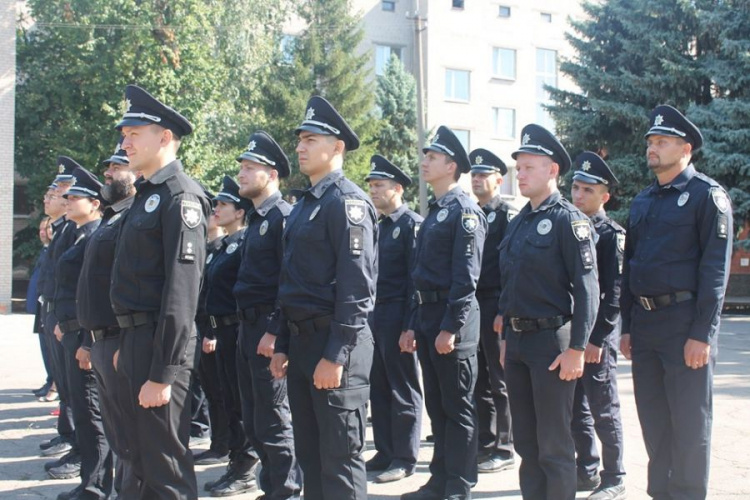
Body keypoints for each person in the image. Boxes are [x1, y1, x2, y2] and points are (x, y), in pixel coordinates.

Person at [620, 105, 733, 500]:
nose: (653, 148)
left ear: (685, 148)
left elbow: (714, 272)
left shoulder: (707, 197)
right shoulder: (643, 201)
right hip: (647, 327)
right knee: (654, 422)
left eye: (662, 142)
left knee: (688, 425)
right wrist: (629, 327)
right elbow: (630, 266)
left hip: (685, 325)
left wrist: (702, 333)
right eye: (651, 141)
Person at [270, 96, 377, 500]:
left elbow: (357, 288)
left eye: (311, 139)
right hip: (301, 343)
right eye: (300, 139)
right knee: (310, 457)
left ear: (336, 148)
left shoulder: (347, 203)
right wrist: (282, 342)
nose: (300, 146)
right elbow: (289, 281)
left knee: (340, 460)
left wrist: (335, 354)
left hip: (335, 345)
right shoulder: (303, 207)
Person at [110, 84, 210, 499]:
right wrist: (125, 343)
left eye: (135, 132)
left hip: (159, 346)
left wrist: (162, 371)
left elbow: (181, 294)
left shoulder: (180, 196)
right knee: (136, 458)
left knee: (164, 466)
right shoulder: (146, 194)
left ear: (164, 137)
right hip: (135, 340)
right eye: (124, 134)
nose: (125, 141)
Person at [495, 124, 599, 500]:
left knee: (554, 445)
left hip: (553, 344)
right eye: (518, 168)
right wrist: (506, 335)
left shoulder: (569, 220)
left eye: (528, 167)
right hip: (519, 343)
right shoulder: (519, 221)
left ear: (553, 170)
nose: (519, 174)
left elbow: (588, 290)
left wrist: (577, 348)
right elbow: (511, 285)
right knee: (527, 443)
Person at [400, 126, 486, 500]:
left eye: (431, 157)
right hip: (428, 314)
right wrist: (413, 324)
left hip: (454, 320)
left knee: (458, 406)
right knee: (437, 406)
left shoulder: (465, 212)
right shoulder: (436, 211)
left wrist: (451, 327)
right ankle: (440, 479)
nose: (424, 162)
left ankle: (460, 483)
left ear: (451, 166)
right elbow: (418, 273)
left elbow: (466, 277)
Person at [233, 131, 302, 499]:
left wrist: (276, 332)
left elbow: (288, 281)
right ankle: (272, 485)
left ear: (271, 174)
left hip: (267, 328)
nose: (241, 174)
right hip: (248, 327)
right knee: (254, 417)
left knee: (275, 418)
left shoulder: (282, 217)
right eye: (242, 167)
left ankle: (287, 490)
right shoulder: (257, 219)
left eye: (249, 168)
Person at [76, 141, 140, 499]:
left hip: (119, 339)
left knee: (131, 437)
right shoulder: (115, 217)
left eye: (117, 166)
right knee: (118, 434)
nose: (108, 173)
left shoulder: (135, 216)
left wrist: (121, 340)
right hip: (102, 340)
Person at [569, 152, 627, 500]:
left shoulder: (610, 234)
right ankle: (587, 469)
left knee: (603, 409)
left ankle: (614, 475)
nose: (578, 195)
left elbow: (614, 294)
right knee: (577, 409)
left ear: (604, 196)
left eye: (587, 190)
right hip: (572, 337)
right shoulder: (571, 227)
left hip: (596, 340)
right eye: (575, 188)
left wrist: (598, 339)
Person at [53, 165, 112, 499]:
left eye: (75, 197)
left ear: (94, 204)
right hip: (72, 332)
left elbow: (97, 293)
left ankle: (97, 486)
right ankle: (90, 481)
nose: (68, 201)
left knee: (91, 414)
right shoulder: (78, 234)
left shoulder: (94, 236)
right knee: (83, 409)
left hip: (85, 336)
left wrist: (89, 340)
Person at [364, 155, 423, 484]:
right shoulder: (379, 225)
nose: (373, 190)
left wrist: (410, 324)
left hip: (399, 313)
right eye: (371, 185)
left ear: (397, 188)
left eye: (379, 185)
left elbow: (416, 280)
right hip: (376, 315)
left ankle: (405, 456)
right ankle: (385, 451)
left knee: (403, 388)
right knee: (380, 387)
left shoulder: (410, 224)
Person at [200, 175, 261, 497]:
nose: (216, 209)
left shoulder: (245, 241)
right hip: (220, 329)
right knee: (228, 401)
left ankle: (246, 468)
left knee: (242, 402)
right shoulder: (224, 245)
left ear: (239, 212)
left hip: (237, 327)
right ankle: (235, 463)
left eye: (222, 204)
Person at [468, 148, 517, 474]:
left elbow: (511, 268)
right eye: (473, 174)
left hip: (495, 302)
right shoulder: (471, 213)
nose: (477, 179)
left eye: (483, 175)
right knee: (479, 379)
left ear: (498, 179)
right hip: (474, 304)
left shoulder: (507, 215)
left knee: (499, 381)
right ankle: (484, 443)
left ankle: (505, 446)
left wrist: (504, 310)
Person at [39, 160, 81, 473]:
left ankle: (75, 442)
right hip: (55, 309)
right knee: (66, 383)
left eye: (64, 191)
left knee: (78, 388)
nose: (58, 196)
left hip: (70, 317)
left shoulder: (76, 230)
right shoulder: (64, 228)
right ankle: (69, 436)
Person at [30, 216, 56, 401]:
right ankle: (50, 380)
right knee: (44, 346)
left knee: (51, 348)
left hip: (50, 304)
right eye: (41, 229)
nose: (43, 232)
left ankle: (54, 384)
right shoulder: (45, 250)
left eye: (46, 228)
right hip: (41, 304)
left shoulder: (53, 249)